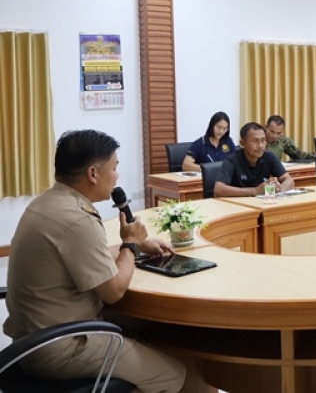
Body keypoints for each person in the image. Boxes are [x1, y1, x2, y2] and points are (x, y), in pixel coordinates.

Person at [3, 130, 186, 392]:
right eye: (114, 167)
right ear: (93, 173)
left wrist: (136, 244)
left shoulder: (47, 203)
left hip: (28, 341)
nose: (117, 176)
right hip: (62, 348)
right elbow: (114, 291)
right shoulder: (78, 220)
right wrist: (130, 245)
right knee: (173, 374)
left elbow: (82, 255)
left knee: (151, 337)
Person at [215, 122, 295, 197]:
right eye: (255, 141)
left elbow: (289, 180)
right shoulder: (232, 160)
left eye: (263, 140)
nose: (260, 146)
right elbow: (218, 189)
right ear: (242, 143)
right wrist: (255, 191)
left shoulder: (268, 156)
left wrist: (279, 189)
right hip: (238, 204)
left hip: (261, 203)